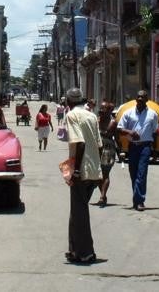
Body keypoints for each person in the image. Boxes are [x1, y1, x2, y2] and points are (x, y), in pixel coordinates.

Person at [61, 87, 101, 265]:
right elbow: (99, 145)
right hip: (94, 170)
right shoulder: (91, 115)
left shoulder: (72, 116)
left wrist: (76, 170)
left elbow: (80, 143)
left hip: (82, 170)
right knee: (77, 211)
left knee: (80, 213)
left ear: (68, 102)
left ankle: (86, 252)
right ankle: (74, 250)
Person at [117, 90, 159, 211]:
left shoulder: (153, 114)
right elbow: (119, 129)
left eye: (143, 97)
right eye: (138, 97)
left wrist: (155, 150)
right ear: (136, 99)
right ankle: (137, 199)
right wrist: (130, 132)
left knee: (142, 173)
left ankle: (140, 201)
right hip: (133, 146)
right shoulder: (128, 113)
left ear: (147, 100)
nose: (140, 99)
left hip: (145, 147)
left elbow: (155, 132)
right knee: (133, 173)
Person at [95, 102, 117, 207]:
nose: (101, 110)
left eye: (104, 108)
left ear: (109, 111)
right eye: (100, 108)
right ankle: (103, 195)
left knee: (105, 173)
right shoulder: (96, 120)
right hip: (96, 149)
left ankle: (102, 196)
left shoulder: (113, 122)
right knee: (99, 175)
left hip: (108, 149)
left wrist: (120, 151)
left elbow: (116, 137)